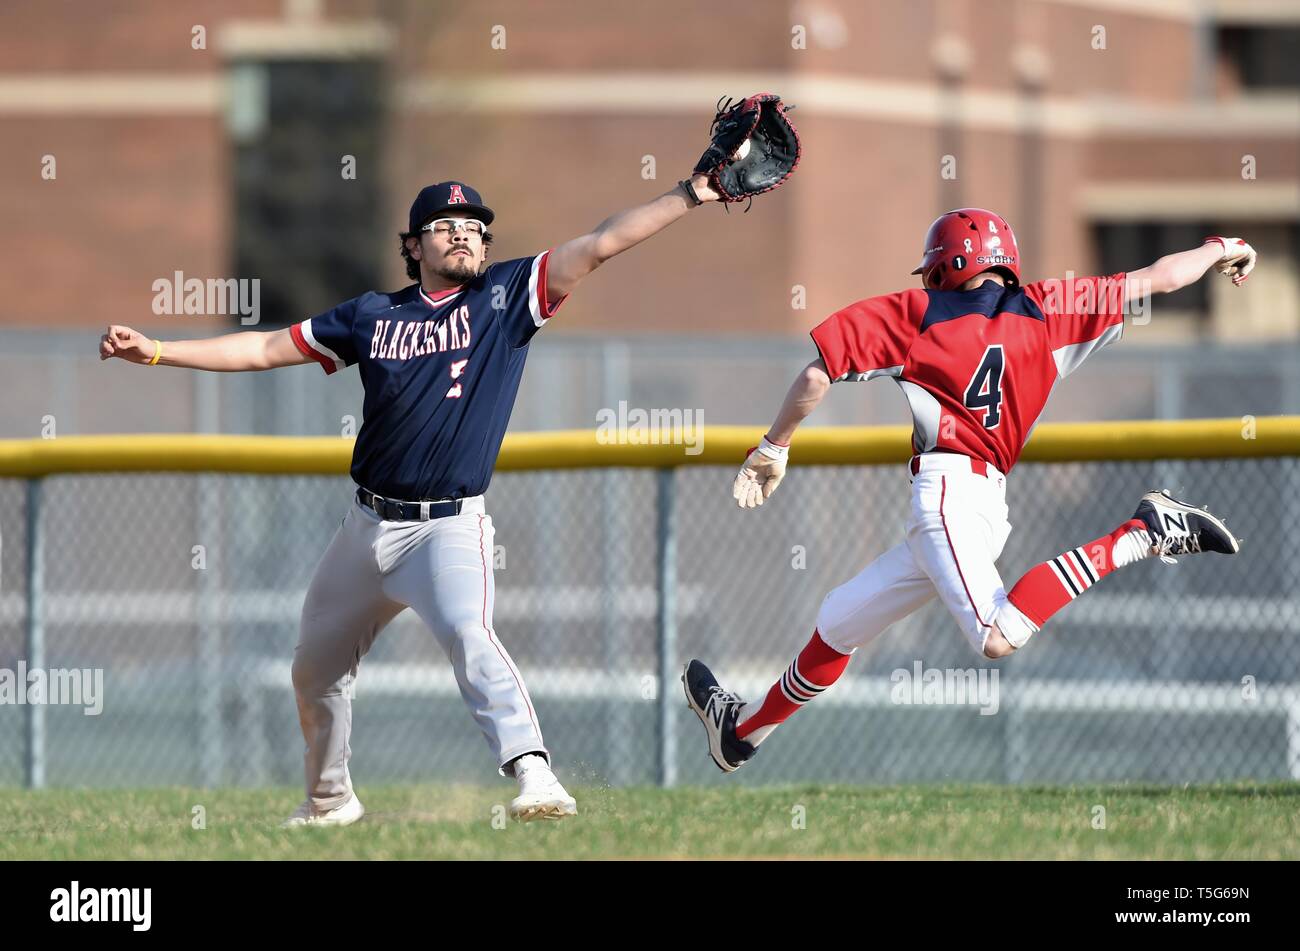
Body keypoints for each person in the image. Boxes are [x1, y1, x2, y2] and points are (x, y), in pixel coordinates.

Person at [102, 171, 733, 822]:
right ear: (413, 246)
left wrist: (689, 193)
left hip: (448, 529)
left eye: (475, 228)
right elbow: (266, 346)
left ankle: (536, 774)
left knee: (470, 633)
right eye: (446, 226)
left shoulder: (507, 297)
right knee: (313, 671)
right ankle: (329, 800)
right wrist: (158, 351)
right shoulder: (372, 315)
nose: (463, 234)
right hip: (366, 526)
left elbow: (601, 243)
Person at [682, 209, 1254, 773]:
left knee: (995, 636)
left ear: (943, 268)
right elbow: (1161, 278)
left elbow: (814, 374)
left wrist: (774, 446)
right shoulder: (1052, 307)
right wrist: (1221, 246)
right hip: (981, 503)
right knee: (837, 623)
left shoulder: (919, 313)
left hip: (948, 496)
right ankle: (740, 734)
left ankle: (1143, 533)